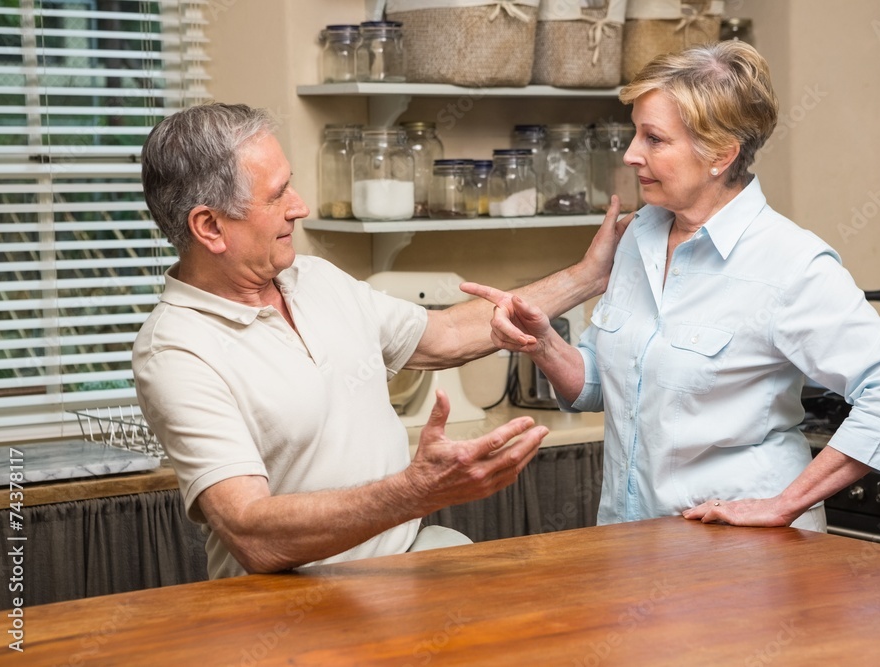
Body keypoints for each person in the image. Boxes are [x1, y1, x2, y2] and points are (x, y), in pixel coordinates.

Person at [133, 102, 630, 579]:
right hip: (282, 611)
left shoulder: (315, 279)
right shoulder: (177, 350)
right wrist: (416, 492)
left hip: (395, 577)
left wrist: (590, 276)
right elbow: (251, 533)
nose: (299, 207)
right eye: (277, 194)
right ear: (210, 226)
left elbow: (447, 333)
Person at [463, 41, 880, 532]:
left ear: (720, 154)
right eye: (634, 134)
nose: (630, 154)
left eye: (654, 139)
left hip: (742, 557)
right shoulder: (638, 236)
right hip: (631, 541)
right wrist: (542, 343)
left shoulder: (791, 262)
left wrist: (785, 503)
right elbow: (601, 385)